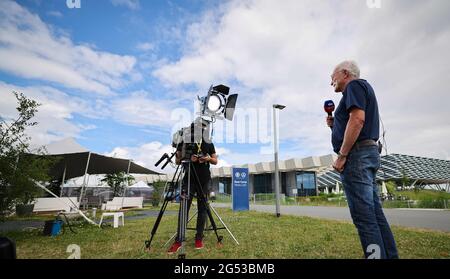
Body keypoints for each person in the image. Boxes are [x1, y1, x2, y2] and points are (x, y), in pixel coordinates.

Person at [327, 61, 399, 259]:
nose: (331, 81)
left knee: (364, 218)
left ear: (345, 73)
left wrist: (342, 156)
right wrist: (334, 125)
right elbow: (355, 121)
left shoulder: (354, 86)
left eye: (332, 77)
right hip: (367, 152)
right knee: (374, 214)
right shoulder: (361, 88)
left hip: (356, 157)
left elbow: (357, 120)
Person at [167, 120, 218, 254]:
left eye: (203, 128)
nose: (202, 130)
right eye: (198, 127)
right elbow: (177, 161)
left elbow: (215, 160)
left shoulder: (208, 143)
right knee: (184, 209)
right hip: (189, 179)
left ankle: (199, 238)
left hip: (204, 180)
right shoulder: (185, 141)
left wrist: (207, 159)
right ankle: (179, 240)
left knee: (202, 209)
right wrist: (188, 158)